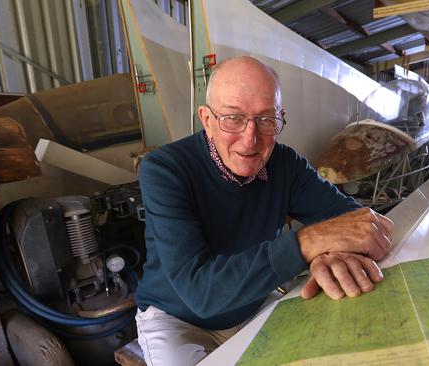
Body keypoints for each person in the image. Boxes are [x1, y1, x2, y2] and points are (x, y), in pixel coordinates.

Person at [134, 56, 394, 365]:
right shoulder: (165, 170)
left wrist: (332, 251)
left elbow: (354, 222)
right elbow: (201, 294)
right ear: (206, 120)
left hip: (251, 302)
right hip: (177, 318)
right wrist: (309, 243)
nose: (250, 138)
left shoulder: (285, 164)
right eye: (233, 118)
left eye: (266, 119)